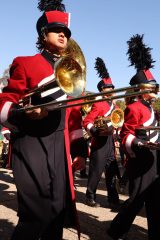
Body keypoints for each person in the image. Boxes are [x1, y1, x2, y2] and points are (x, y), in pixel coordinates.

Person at [0, 0, 87, 239]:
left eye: (66, 32)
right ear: (43, 34)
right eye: (57, 30)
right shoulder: (25, 63)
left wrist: (79, 148)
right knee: (35, 215)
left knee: (57, 212)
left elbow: (74, 115)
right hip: (31, 144)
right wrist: (23, 114)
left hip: (59, 146)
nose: (63, 34)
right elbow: (5, 102)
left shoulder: (70, 73)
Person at [107, 34, 160, 240]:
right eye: (151, 86)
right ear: (141, 89)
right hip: (141, 159)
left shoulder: (151, 108)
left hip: (155, 160)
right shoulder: (134, 107)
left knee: (156, 200)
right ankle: (116, 230)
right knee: (136, 200)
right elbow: (126, 134)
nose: (155, 89)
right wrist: (138, 143)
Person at [83, 57, 121, 208]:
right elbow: (86, 121)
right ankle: (90, 195)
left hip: (110, 141)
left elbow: (117, 121)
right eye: (109, 88)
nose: (111, 90)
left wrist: (116, 135)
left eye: (112, 87)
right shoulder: (98, 103)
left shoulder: (115, 104)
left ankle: (113, 199)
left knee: (112, 170)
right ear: (102, 90)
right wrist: (94, 130)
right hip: (99, 142)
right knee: (96, 172)